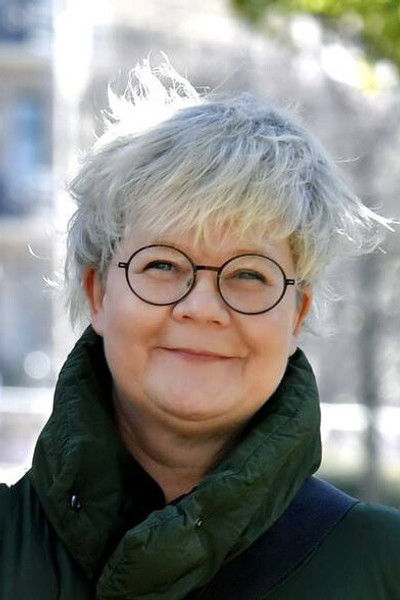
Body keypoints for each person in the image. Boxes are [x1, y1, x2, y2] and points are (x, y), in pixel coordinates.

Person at [0, 59, 399, 600]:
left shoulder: (383, 567)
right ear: (98, 293)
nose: (203, 308)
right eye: (163, 264)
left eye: (249, 275)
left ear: (297, 315)